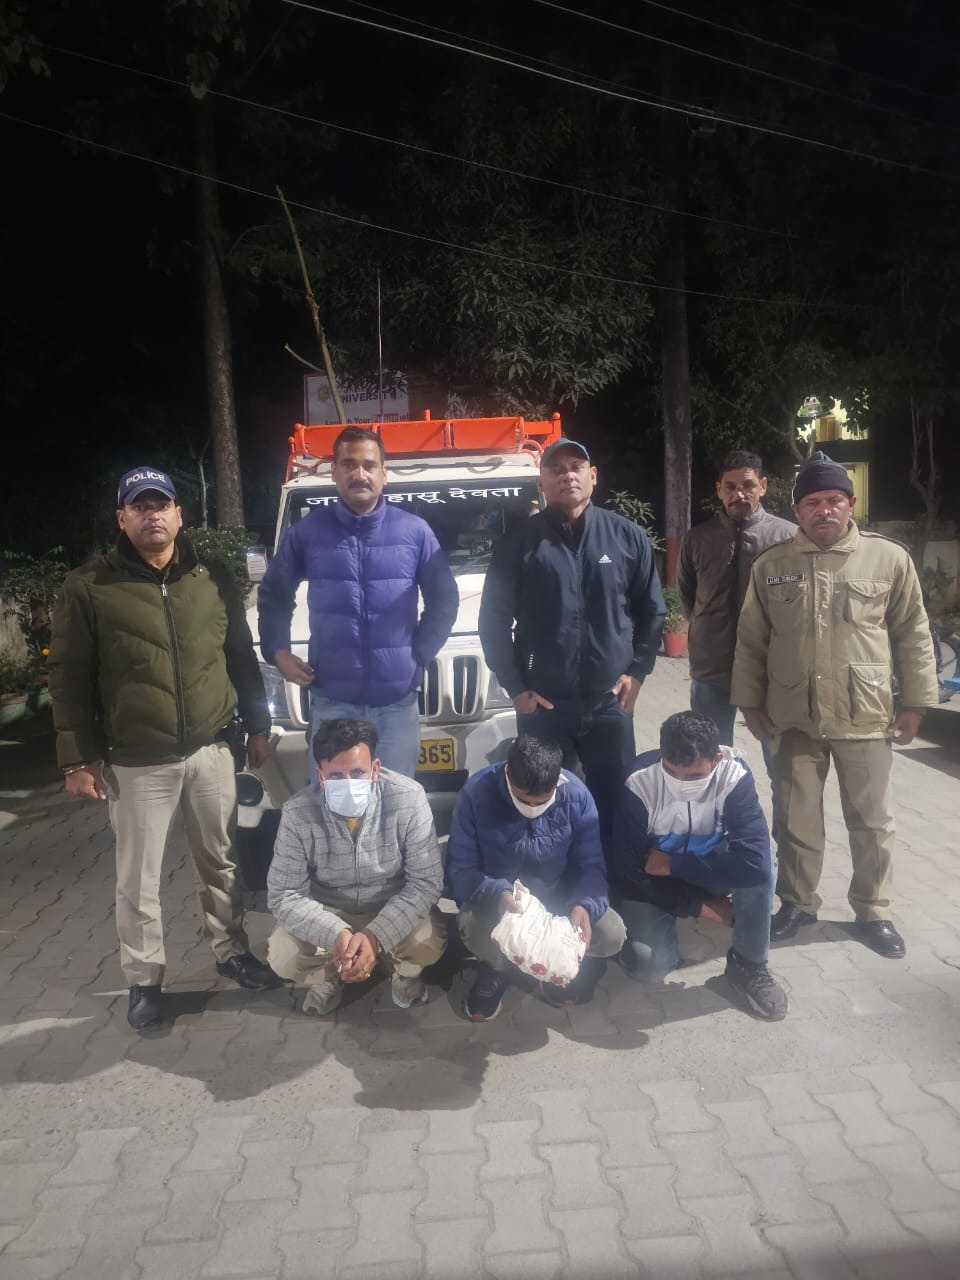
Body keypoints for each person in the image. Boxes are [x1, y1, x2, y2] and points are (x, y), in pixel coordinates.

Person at [48, 466, 279, 1034]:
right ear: (122, 518)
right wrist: (76, 758)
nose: (152, 514)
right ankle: (145, 980)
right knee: (138, 877)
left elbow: (240, 654)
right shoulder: (89, 586)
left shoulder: (211, 577)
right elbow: (68, 676)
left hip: (211, 750)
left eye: (162, 504)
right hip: (135, 758)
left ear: (179, 514)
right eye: (140, 506)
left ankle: (231, 951)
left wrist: (258, 723)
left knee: (220, 862)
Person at [731, 450, 938, 958]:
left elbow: (913, 633)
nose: (825, 510)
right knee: (795, 819)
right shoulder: (772, 565)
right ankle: (798, 904)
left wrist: (915, 703)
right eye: (813, 502)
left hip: (865, 714)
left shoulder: (888, 559)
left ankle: (874, 911)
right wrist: (749, 703)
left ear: (851, 504)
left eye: (834, 500)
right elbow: (752, 641)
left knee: (871, 821)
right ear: (797, 510)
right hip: (792, 715)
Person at [478, 437, 665, 840]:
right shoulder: (518, 543)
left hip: (609, 705)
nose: (567, 476)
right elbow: (493, 621)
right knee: (541, 806)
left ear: (593, 476)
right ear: (541, 483)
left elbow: (653, 612)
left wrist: (637, 673)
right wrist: (516, 688)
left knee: (617, 804)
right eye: (556, 470)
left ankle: (612, 875)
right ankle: (554, 875)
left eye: (576, 467)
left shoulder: (626, 536)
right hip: (544, 707)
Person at [257, 425, 459, 777]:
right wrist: (278, 651)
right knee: (334, 802)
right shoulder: (308, 533)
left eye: (369, 465)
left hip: (396, 706)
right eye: (349, 465)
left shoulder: (414, 532)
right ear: (334, 472)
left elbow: (444, 597)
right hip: (333, 703)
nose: (360, 474)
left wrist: (417, 653)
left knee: (394, 801)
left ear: (384, 473)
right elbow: (275, 594)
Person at [611, 712, 788, 1021]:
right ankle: (631, 936)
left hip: (677, 867)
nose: (680, 783)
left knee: (765, 864)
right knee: (651, 966)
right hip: (653, 879)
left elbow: (754, 866)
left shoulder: (734, 778)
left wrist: (674, 864)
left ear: (717, 759)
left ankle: (749, 963)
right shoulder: (638, 783)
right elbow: (628, 875)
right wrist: (702, 907)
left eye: (693, 777)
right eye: (670, 771)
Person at [266, 718, 447, 1015]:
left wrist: (375, 935)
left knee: (428, 940)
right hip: (328, 912)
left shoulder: (408, 798)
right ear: (320, 775)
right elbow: (284, 894)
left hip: (390, 905)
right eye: (336, 775)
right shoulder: (297, 813)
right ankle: (332, 974)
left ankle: (400, 970)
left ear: (375, 768)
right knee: (284, 955)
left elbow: (426, 882)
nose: (349, 783)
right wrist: (336, 934)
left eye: (358, 772)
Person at [447, 735, 627, 1022]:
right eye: (521, 799)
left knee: (611, 933)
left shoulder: (577, 796)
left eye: (541, 801)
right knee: (473, 926)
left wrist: (584, 904)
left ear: (557, 782)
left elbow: (592, 866)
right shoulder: (477, 793)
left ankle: (553, 966)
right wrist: (498, 894)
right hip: (499, 901)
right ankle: (495, 969)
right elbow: (460, 869)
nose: (531, 807)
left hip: (558, 899)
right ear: (508, 773)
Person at [678, 450, 794, 748]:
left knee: (780, 760)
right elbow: (688, 595)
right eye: (730, 487)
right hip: (712, 668)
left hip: (772, 671)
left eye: (748, 485)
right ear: (719, 490)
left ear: (763, 486)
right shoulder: (698, 538)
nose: (739, 494)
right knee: (710, 756)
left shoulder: (788, 539)